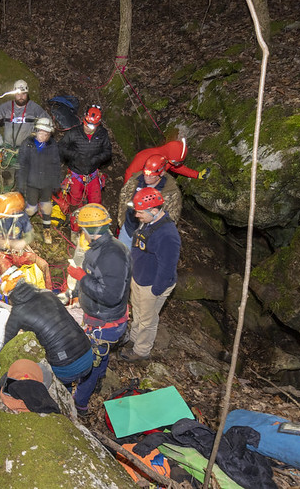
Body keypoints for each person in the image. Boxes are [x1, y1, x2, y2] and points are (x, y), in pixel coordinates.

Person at [65, 204, 131, 412]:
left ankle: (80, 404)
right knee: (100, 355)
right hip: (103, 318)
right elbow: (99, 280)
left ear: (90, 231)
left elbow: (111, 295)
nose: (81, 233)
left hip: (105, 322)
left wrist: (81, 278)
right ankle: (100, 375)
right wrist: (76, 294)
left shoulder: (111, 255)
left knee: (89, 365)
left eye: (82, 230)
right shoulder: (104, 248)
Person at [122, 188, 181, 363]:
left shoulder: (168, 235)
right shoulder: (149, 222)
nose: (136, 215)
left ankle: (141, 351)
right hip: (140, 277)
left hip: (152, 284)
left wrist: (155, 290)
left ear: (154, 210)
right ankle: (133, 339)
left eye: (140, 212)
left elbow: (168, 267)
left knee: (148, 319)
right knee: (138, 312)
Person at [3, 281, 94, 386]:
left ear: (11, 296)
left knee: (61, 387)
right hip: (87, 352)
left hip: (65, 366)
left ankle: (67, 398)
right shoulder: (47, 293)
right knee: (83, 380)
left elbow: (7, 343)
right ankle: (81, 400)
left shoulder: (17, 313)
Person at [0, 191, 52, 289]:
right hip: (1, 256)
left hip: (19, 253)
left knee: (44, 265)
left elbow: (27, 236)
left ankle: (48, 294)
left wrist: (23, 245)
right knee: (14, 277)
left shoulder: (20, 218)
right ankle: (19, 296)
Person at [0, 80, 51, 191]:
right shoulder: (6, 107)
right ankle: (4, 203)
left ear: (27, 94)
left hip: (25, 150)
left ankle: (24, 205)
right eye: (18, 94)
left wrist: (39, 135)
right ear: (14, 94)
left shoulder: (34, 108)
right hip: (8, 150)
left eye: (23, 94)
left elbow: (48, 122)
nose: (21, 97)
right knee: (7, 180)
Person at [117, 154, 182, 248]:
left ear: (162, 173)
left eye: (151, 176)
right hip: (128, 228)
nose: (147, 177)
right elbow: (124, 198)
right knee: (121, 258)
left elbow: (171, 218)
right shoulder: (135, 180)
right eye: (146, 174)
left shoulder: (170, 191)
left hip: (148, 237)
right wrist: (122, 221)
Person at [59, 105, 113, 219]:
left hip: (92, 174)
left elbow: (108, 151)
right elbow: (61, 147)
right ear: (84, 120)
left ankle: (94, 229)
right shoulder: (74, 133)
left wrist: (96, 159)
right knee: (75, 203)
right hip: (76, 175)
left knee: (96, 203)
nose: (88, 128)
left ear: (98, 125)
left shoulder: (102, 134)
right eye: (87, 125)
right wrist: (75, 156)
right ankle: (75, 229)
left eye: (92, 126)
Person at [15, 117, 61, 245]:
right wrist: (21, 185)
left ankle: (46, 230)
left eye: (46, 134)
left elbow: (56, 164)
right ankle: (22, 226)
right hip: (32, 183)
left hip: (47, 182)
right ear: (36, 131)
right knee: (31, 208)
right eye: (41, 133)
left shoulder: (52, 146)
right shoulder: (27, 144)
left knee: (47, 207)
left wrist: (57, 182)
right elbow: (22, 166)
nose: (43, 136)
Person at [123, 135, 210, 183]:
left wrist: (196, 175)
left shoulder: (169, 160)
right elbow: (129, 174)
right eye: (175, 162)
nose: (176, 164)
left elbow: (178, 167)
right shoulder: (144, 157)